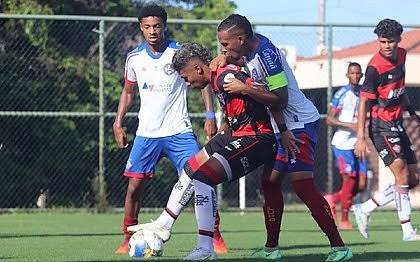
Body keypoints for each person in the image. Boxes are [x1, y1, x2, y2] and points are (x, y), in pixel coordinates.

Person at [213, 14, 352, 261]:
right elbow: (265, 93)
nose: (223, 49)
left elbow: (281, 99)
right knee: (269, 183)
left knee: (302, 185)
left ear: (241, 39)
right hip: (283, 127)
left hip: (299, 123)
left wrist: (244, 89)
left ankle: (339, 247)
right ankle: (271, 249)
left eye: (225, 44)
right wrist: (225, 57)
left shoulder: (267, 56)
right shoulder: (249, 48)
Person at [112, 4, 224, 254]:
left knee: (201, 179)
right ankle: (127, 237)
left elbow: (204, 81)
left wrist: (209, 115)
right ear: (141, 27)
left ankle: (214, 234)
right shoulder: (134, 58)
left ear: (164, 26)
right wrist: (118, 122)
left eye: (157, 26)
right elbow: (128, 92)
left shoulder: (179, 52)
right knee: (134, 187)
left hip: (179, 131)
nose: (153, 31)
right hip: (146, 134)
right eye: (148, 26)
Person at [171, 42, 279, 260]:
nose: (188, 84)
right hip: (237, 132)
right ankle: (165, 226)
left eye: (185, 78)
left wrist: (246, 86)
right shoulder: (216, 77)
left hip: (259, 138)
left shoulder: (224, 77)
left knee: (202, 179)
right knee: (193, 168)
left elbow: (264, 92)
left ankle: (205, 249)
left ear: (198, 69)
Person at [353, 18, 420, 241]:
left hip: (398, 122)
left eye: (390, 41)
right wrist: (361, 137)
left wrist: (411, 112)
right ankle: (407, 230)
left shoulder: (402, 55)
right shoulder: (373, 69)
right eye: (382, 42)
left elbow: (399, 89)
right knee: (401, 174)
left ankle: (365, 208)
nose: (386, 46)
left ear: (399, 40)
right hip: (380, 127)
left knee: (413, 178)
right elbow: (364, 103)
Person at [324, 62, 367, 230]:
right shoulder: (342, 94)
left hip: (358, 143)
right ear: (347, 75)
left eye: (358, 73)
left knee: (361, 184)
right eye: (352, 73)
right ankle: (344, 220)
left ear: (362, 75)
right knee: (349, 180)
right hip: (342, 144)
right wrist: (351, 126)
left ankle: (332, 200)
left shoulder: (365, 93)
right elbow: (329, 119)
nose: (355, 76)